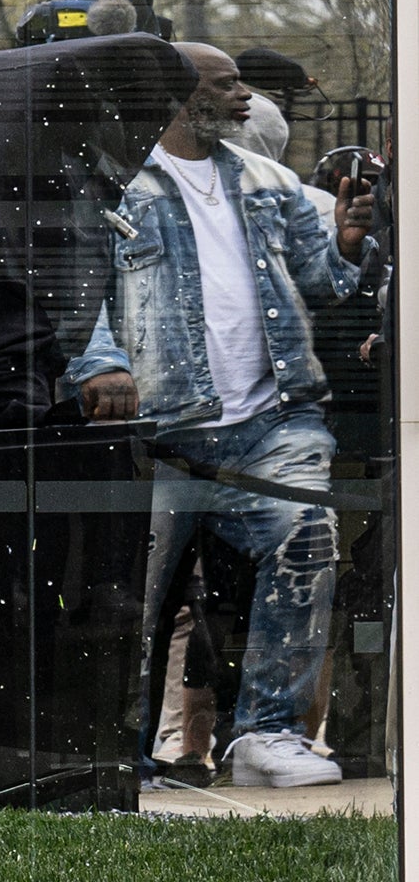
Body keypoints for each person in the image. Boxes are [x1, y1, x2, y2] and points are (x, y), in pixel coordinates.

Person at [70, 41, 360, 788]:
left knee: (308, 539)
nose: (246, 98)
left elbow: (322, 284)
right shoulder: (111, 186)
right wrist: (99, 363)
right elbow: (75, 290)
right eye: (227, 85)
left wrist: (349, 244)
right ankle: (115, 751)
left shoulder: (270, 180)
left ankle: (268, 734)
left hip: (270, 421)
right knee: (136, 595)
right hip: (158, 432)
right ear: (176, 95)